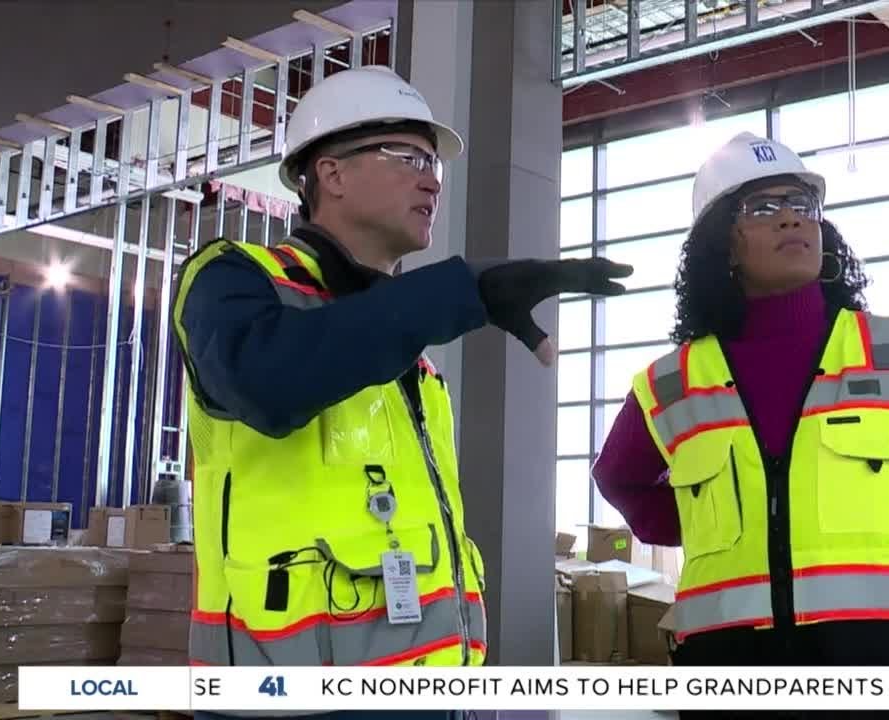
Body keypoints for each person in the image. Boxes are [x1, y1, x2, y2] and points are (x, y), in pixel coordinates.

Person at [171, 66, 632, 720]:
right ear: (330, 173)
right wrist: (459, 292)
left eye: (434, 164)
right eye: (409, 156)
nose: (432, 178)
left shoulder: (410, 360)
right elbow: (267, 381)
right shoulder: (232, 280)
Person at [592, 132, 889, 720]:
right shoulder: (670, 383)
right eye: (763, 207)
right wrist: (714, 518)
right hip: (728, 675)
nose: (791, 221)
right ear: (720, 244)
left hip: (879, 670)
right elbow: (619, 478)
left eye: (802, 205)